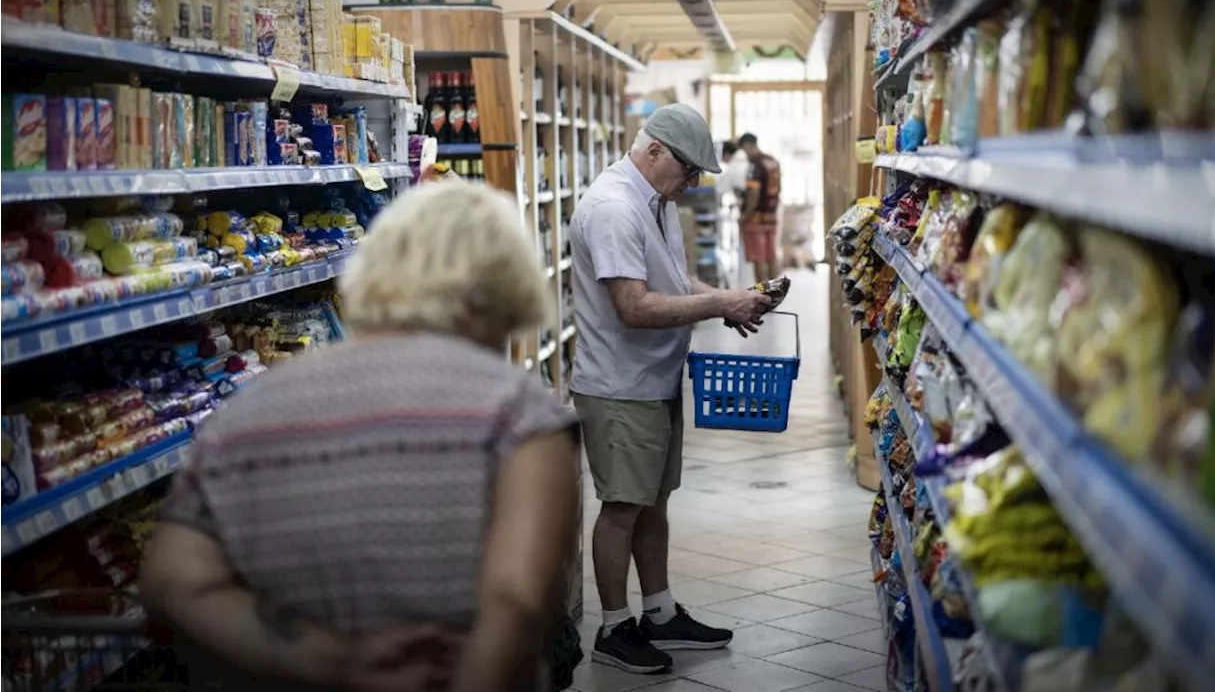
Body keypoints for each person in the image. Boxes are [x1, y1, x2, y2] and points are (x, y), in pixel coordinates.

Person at [140, 182, 582, 692]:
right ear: (498, 297)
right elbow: (517, 604)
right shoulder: (521, 414)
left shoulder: (245, 413)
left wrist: (327, 659)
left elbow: (171, 580)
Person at [568, 103, 774, 675]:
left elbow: (671, 283)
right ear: (654, 150)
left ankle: (659, 613)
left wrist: (729, 297)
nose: (693, 185)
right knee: (622, 508)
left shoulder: (653, 200)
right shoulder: (613, 207)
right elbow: (633, 306)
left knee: (654, 503)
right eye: (689, 172)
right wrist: (717, 304)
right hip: (619, 385)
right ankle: (614, 628)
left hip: (653, 379)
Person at [738, 133, 783, 283]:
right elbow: (779, 188)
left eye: (744, 150)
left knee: (759, 258)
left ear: (747, 146)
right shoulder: (773, 161)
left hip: (755, 217)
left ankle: (762, 295)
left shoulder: (754, 164)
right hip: (771, 215)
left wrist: (745, 216)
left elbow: (753, 193)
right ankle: (776, 291)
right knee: (771, 255)